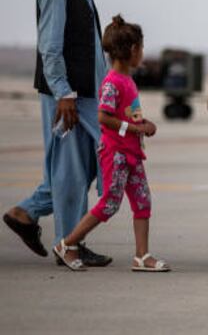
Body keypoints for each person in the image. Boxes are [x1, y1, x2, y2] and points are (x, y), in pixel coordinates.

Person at [3, 0, 111, 268]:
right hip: (68, 95)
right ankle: (70, 245)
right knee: (70, 169)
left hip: (86, 92)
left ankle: (27, 213)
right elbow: (50, 47)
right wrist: (63, 92)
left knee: (95, 164)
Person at [52, 16, 169, 272]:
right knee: (109, 203)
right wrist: (135, 128)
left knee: (143, 201)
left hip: (132, 153)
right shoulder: (112, 82)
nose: (142, 54)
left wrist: (144, 124)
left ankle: (142, 256)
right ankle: (67, 244)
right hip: (115, 153)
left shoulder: (128, 81)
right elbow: (103, 118)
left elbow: (129, 115)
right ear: (132, 50)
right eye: (141, 48)